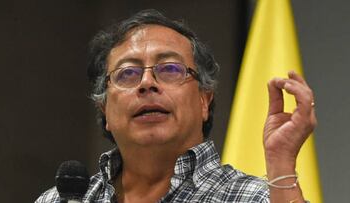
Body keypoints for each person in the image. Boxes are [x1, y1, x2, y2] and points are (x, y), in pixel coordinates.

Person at [36, 9, 316, 203]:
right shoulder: (63, 199)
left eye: (170, 69)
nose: (146, 83)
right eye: (127, 73)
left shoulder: (254, 197)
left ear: (204, 100)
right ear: (104, 110)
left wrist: (281, 163)